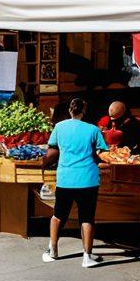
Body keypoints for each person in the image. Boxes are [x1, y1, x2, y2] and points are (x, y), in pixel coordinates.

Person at [42, 97, 108, 267]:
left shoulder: (59, 127)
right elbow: (102, 152)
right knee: (87, 218)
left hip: (66, 178)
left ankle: (53, 250)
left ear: (70, 110)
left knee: (58, 216)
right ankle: (87, 257)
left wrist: (41, 163)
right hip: (88, 179)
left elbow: (52, 151)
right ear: (84, 110)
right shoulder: (93, 130)